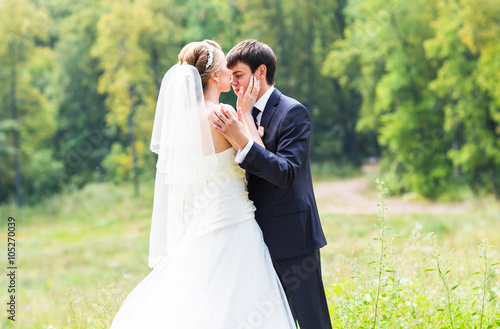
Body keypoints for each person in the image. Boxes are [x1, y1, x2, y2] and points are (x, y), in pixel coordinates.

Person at [109, 40, 296, 329]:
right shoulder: (222, 114)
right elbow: (262, 161)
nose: (229, 73)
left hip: (204, 225)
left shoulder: (182, 122)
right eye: (225, 67)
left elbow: (187, 187)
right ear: (213, 76)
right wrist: (244, 113)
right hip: (236, 223)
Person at [210, 39, 332, 329]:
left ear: (260, 71)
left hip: (293, 238)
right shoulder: (240, 115)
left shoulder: (293, 112)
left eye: (238, 74)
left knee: (311, 319)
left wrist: (244, 139)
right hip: (251, 237)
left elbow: (285, 173)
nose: (234, 83)